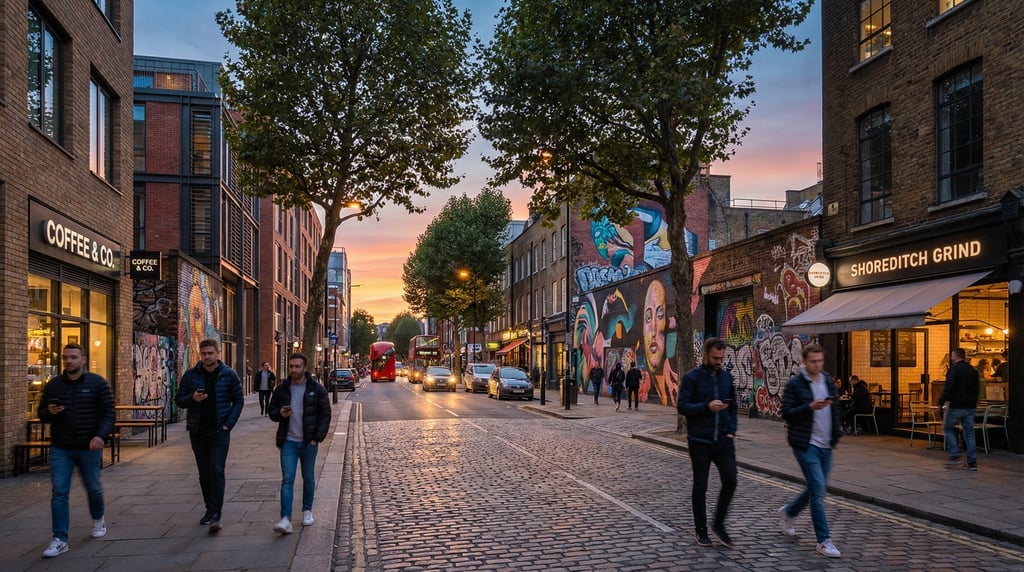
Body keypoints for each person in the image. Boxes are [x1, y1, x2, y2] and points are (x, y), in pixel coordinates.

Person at [37, 343, 115, 558]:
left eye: (73, 357)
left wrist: (100, 436)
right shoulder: (54, 385)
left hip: (88, 446)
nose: (69, 361)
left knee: (93, 488)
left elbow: (109, 412)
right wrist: (50, 412)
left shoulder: (97, 383)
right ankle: (60, 538)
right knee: (59, 492)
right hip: (61, 447)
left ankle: (98, 517)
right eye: (65, 357)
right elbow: (42, 414)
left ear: (83, 359)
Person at [779, 343, 843, 558]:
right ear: (805, 361)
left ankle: (790, 511)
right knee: (818, 489)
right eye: (813, 361)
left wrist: (837, 432)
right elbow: (786, 412)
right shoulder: (795, 385)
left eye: (820, 361)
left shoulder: (827, 381)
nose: (817, 365)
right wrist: (809, 407)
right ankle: (823, 541)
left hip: (826, 445)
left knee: (817, 488)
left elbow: (836, 408)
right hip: (806, 445)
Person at [175, 339, 244, 532]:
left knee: (217, 470)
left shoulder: (229, 375)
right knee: (204, 473)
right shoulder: (190, 375)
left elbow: (238, 401)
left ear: (218, 353)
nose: (207, 357)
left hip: (219, 431)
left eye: (210, 353)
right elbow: (179, 400)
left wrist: (228, 425)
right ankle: (209, 508)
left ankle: (216, 514)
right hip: (198, 432)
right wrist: (192, 399)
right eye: (204, 353)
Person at [678, 337, 737, 548]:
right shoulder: (692, 378)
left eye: (721, 358)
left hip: (723, 440)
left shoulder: (727, 378)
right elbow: (683, 407)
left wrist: (731, 431)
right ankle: (701, 530)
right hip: (699, 440)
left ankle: (718, 524)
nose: (719, 361)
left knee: (731, 480)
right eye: (715, 358)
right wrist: (707, 406)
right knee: (700, 486)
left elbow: (733, 406)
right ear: (705, 355)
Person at [269, 353, 332, 534]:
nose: (294, 370)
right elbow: (272, 412)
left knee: (308, 478)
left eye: (297, 366)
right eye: (291, 366)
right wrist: (280, 413)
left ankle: (307, 511)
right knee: (287, 480)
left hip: (308, 442)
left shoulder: (316, 389)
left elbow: (325, 414)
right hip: (288, 441)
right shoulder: (282, 389)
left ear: (305, 368)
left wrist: (316, 438)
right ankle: (285, 519)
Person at [939, 348, 980, 471]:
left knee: (947, 428)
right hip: (971, 406)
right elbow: (977, 389)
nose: (951, 358)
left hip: (957, 405)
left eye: (952, 356)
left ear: (955, 356)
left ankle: (955, 454)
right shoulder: (973, 370)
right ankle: (972, 462)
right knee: (969, 433)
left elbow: (949, 387)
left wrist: (941, 402)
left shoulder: (954, 370)